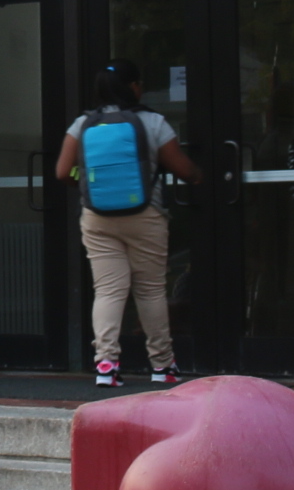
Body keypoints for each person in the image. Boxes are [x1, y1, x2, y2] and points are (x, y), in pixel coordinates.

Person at [54, 62, 203, 388]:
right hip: (144, 215)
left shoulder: (82, 125)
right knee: (150, 290)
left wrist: (86, 183)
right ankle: (162, 365)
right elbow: (183, 169)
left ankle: (106, 365)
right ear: (134, 87)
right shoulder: (152, 122)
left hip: (97, 217)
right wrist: (199, 175)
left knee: (107, 290)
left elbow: (63, 172)